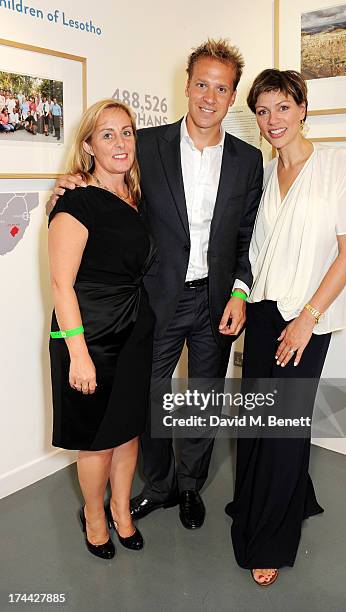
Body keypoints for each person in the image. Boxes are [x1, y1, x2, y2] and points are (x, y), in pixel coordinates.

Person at [48, 39, 263, 530]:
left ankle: (190, 487)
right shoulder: (144, 145)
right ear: (186, 87)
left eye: (222, 88)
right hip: (152, 301)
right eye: (202, 84)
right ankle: (160, 485)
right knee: (149, 399)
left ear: (231, 98)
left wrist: (240, 290)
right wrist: (65, 189)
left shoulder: (249, 161)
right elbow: (105, 191)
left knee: (203, 399)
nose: (210, 96)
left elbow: (248, 237)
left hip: (217, 301)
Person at [225, 69, 346, 586]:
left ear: (302, 107)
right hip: (263, 314)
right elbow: (256, 254)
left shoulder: (336, 165)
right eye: (262, 111)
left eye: (282, 107)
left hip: (308, 316)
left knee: (283, 429)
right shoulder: (264, 173)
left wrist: (307, 318)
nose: (272, 120)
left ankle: (271, 540)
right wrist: (241, 296)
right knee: (257, 422)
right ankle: (269, 499)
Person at [48, 99, 156, 559]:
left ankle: (121, 511)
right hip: (88, 338)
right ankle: (94, 517)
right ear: (89, 145)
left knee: (128, 433)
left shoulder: (138, 197)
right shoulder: (75, 200)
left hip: (134, 333)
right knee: (95, 443)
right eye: (107, 134)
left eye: (127, 132)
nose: (119, 142)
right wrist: (78, 354)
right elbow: (61, 284)